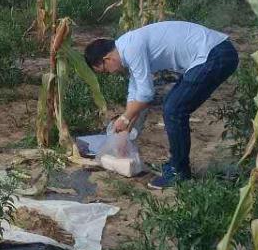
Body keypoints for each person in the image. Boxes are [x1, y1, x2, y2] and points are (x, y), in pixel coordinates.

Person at [85, 21, 239, 190]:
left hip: (214, 55)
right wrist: (125, 129)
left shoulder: (131, 48)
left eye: (106, 70)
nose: (111, 73)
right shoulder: (127, 46)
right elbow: (136, 92)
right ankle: (177, 166)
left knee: (174, 109)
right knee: (173, 106)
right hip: (213, 53)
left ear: (108, 59)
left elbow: (146, 95)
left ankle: (179, 173)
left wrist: (125, 118)